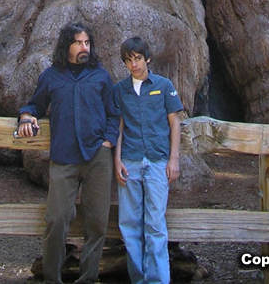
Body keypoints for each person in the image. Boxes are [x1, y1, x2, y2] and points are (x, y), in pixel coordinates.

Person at [17, 22, 119, 284]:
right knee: (56, 220)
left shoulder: (100, 76)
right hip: (64, 159)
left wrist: (108, 141)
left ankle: (88, 278)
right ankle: (52, 278)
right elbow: (35, 104)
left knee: (96, 223)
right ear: (67, 46)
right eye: (78, 43)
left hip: (97, 159)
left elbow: (113, 113)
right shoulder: (52, 76)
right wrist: (26, 116)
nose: (84, 48)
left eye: (87, 43)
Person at [113, 36, 183, 284]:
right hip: (130, 161)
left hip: (157, 161)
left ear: (147, 58)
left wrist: (173, 159)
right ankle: (138, 279)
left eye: (138, 59)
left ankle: (157, 280)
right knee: (129, 224)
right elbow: (118, 127)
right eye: (129, 60)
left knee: (155, 224)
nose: (134, 65)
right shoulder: (119, 90)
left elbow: (175, 123)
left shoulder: (163, 86)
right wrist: (117, 160)